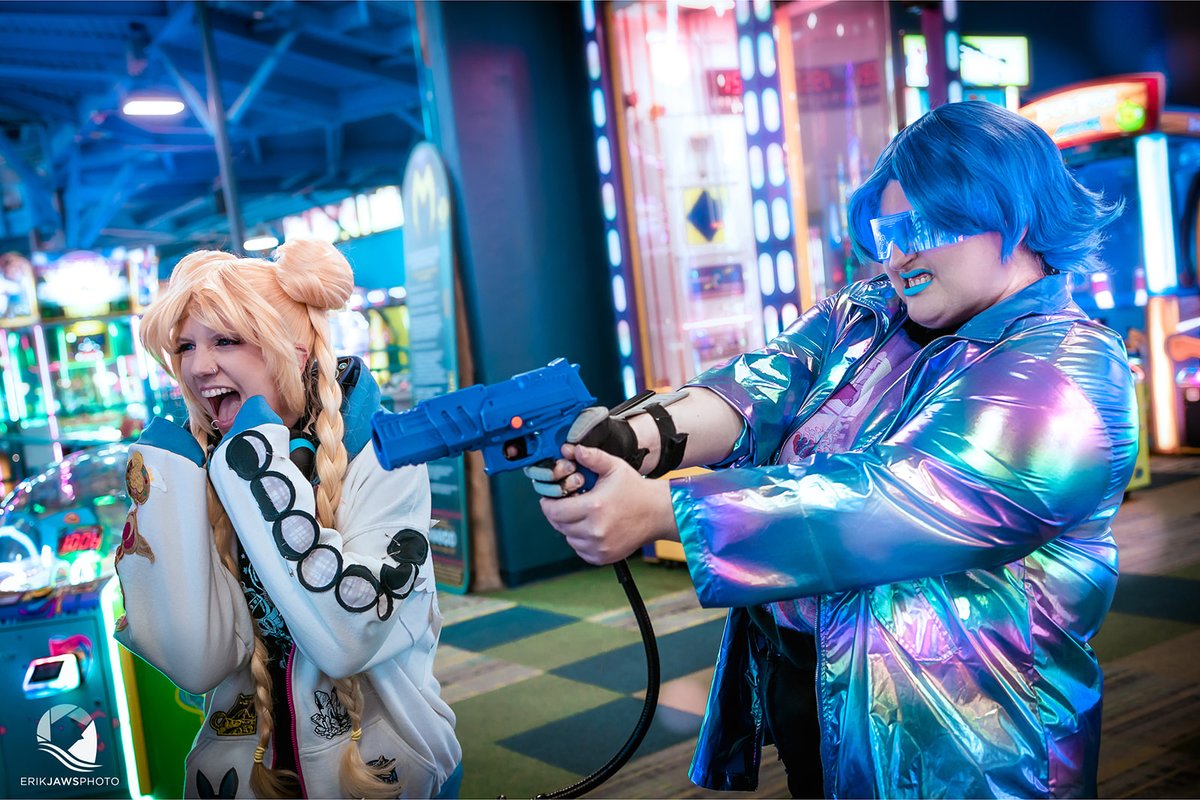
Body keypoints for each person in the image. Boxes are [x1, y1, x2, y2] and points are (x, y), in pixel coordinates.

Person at [529, 101, 1138, 798]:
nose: (898, 255)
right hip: (825, 697)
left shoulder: (1069, 368)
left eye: (926, 227)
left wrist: (663, 511)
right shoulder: (871, 312)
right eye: (888, 231)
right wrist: (633, 437)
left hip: (969, 747)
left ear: (1017, 217)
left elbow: (895, 498)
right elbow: (760, 385)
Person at [114, 240, 461, 799]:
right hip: (238, 779)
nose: (199, 367)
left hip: (391, 769)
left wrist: (255, 470)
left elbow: (349, 637)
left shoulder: (383, 458)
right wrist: (164, 497)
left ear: (294, 353)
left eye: (226, 340)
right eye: (185, 347)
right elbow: (195, 663)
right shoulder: (201, 468)